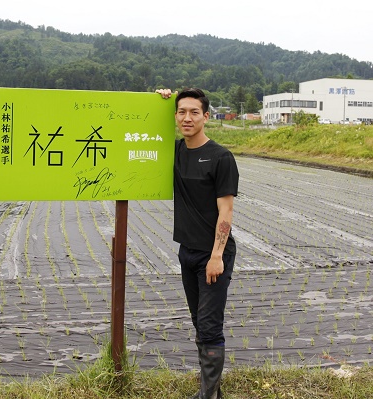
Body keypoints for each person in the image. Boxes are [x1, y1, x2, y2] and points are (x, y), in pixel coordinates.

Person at [157, 87, 239, 399]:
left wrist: (216, 256)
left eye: (194, 112)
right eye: (181, 112)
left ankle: (208, 396)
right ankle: (211, 392)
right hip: (187, 251)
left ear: (206, 116)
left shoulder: (221, 157)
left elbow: (226, 210)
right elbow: (147, 129)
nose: (187, 117)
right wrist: (161, 99)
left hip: (213, 255)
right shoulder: (176, 151)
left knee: (208, 325)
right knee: (198, 322)